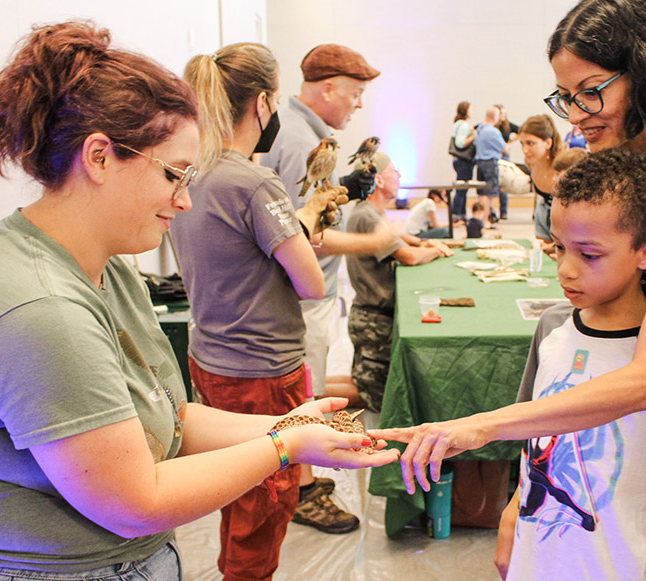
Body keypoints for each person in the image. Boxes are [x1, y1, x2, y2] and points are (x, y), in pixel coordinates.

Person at [0, 22, 398, 580]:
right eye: (174, 174)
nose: (185, 198)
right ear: (99, 157)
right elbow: (136, 501)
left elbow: (168, 421)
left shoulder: (106, 267)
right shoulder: (40, 313)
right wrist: (286, 446)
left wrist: (286, 424)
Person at [373, 2, 646, 578]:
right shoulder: (625, 162)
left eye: (590, 91)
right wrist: (516, 503)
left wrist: (483, 427)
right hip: (600, 436)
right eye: (566, 96)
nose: (576, 116)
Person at [173, 43, 352, 578]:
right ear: (263, 104)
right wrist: (306, 222)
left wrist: (297, 220)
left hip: (211, 357)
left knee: (235, 488)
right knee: (265, 502)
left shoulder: (190, 173)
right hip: (262, 371)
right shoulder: (253, 182)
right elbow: (311, 282)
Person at [494, 148, 646, 580]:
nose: (566, 271)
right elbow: (530, 436)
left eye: (589, 255)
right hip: (535, 561)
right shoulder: (551, 328)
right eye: (559, 249)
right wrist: (512, 514)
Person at [259, 43, 392, 535]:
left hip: (309, 295)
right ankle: (301, 490)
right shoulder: (299, 140)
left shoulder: (307, 135)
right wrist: (374, 240)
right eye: (355, 94)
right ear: (327, 88)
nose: (358, 105)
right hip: (299, 297)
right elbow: (298, 234)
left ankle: (301, 480)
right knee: (301, 396)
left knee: (308, 387)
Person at [346, 151, 453, 412]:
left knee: (366, 386)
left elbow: (399, 238)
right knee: (380, 395)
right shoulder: (368, 215)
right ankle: (305, 392)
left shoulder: (372, 211)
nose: (399, 176)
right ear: (379, 180)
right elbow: (408, 257)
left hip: (373, 317)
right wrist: (437, 250)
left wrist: (424, 242)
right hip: (373, 321)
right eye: (394, 171)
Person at [520, 115, 564, 255]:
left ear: (548, 143)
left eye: (531, 143)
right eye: (522, 144)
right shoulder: (532, 164)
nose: (525, 150)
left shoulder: (563, 169)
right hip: (544, 215)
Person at [475, 106, 511, 227]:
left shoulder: (479, 129)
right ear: (495, 117)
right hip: (490, 163)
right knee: (488, 194)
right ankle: (485, 220)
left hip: (479, 162)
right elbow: (504, 148)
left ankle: (481, 219)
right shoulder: (493, 131)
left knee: (481, 193)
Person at [450, 101, 477, 224]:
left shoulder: (458, 124)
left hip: (458, 161)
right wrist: (473, 137)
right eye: (471, 109)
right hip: (463, 161)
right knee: (462, 189)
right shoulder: (464, 126)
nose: (472, 111)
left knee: (462, 188)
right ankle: (458, 214)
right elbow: (460, 143)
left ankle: (460, 214)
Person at [495, 105, 520, 220]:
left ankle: (503, 211)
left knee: (505, 182)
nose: (503, 116)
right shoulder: (493, 126)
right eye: (501, 114)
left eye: (504, 114)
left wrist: (510, 142)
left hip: (504, 154)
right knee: (495, 183)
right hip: (495, 154)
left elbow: (521, 131)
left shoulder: (508, 126)